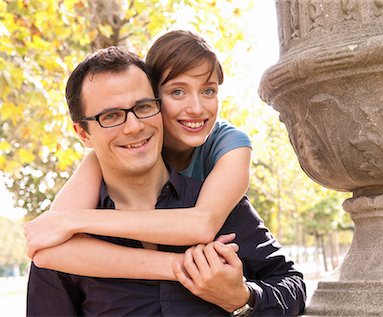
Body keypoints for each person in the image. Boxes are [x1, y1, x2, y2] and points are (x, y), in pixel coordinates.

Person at [25, 41, 306, 315]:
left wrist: (241, 298)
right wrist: (182, 266)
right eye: (111, 116)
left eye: (144, 107)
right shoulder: (64, 239)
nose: (134, 127)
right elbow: (44, 256)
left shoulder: (220, 201)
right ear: (84, 134)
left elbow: (292, 286)